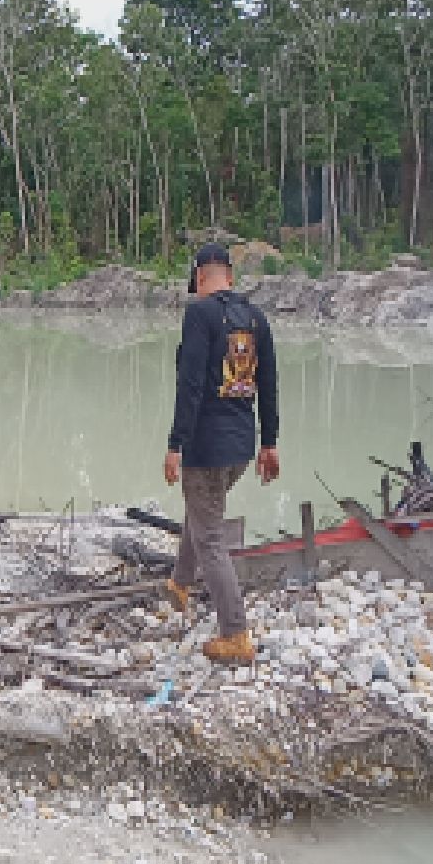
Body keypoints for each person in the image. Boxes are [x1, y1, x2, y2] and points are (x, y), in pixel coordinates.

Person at [163, 243, 279, 665]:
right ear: (229, 276)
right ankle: (179, 583)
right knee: (202, 510)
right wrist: (270, 442)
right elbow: (268, 383)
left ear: (198, 279)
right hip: (241, 447)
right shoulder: (255, 318)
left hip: (205, 446)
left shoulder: (199, 314)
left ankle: (235, 633)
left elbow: (190, 386)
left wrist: (175, 444)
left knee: (210, 535)